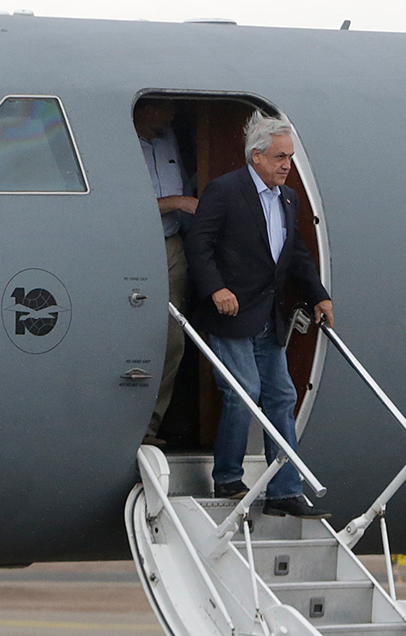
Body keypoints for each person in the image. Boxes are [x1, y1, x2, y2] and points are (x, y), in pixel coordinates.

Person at [184, 111, 333, 519]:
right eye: (280, 157)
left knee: (282, 396)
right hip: (231, 315)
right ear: (256, 158)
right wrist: (216, 288)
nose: (287, 164)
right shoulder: (225, 191)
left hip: (269, 316)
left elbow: (296, 253)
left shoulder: (288, 199)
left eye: (289, 156)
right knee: (244, 392)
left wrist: (319, 296)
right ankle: (228, 477)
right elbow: (200, 244)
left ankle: (285, 489)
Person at [135, 98, 198, 447]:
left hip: (172, 244)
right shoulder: (122, 143)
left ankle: (149, 430)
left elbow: (186, 185)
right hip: (135, 246)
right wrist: (175, 202)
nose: (175, 113)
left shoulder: (169, 138)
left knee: (173, 341)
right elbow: (121, 201)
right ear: (147, 110)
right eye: (167, 106)